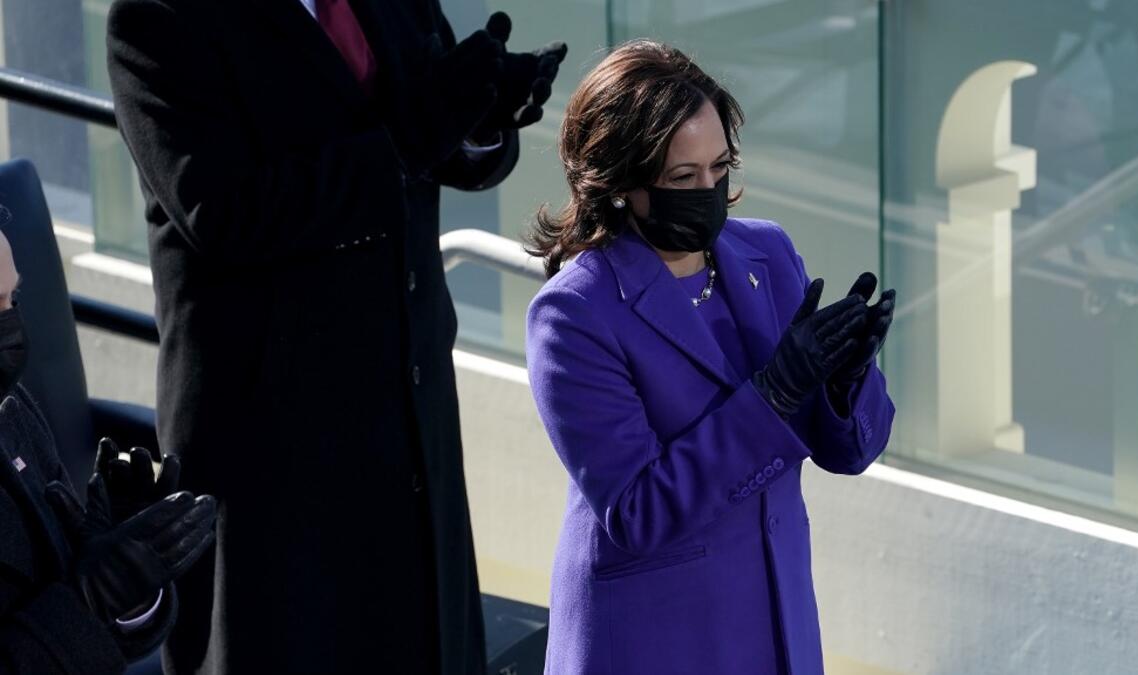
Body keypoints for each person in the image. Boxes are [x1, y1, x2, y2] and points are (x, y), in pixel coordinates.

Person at [106, 0, 567, 672]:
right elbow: (226, 214)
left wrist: (486, 114)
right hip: (274, 443)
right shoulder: (159, 18)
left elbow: (434, 133)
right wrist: (418, 132)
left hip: (412, 420)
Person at [525, 40, 897, 674]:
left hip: (776, 627)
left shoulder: (769, 255)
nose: (709, 192)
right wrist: (774, 394)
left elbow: (850, 451)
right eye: (682, 178)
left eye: (720, 169)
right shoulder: (574, 315)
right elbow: (637, 512)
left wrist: (844, 383)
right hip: (654, 639)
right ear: (620, 182)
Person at [0, 227, 216, 673]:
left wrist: (127, 570)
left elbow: (112, 641)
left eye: (12, 300)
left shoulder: (12, 409)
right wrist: (88, 602)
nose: (11, 328)